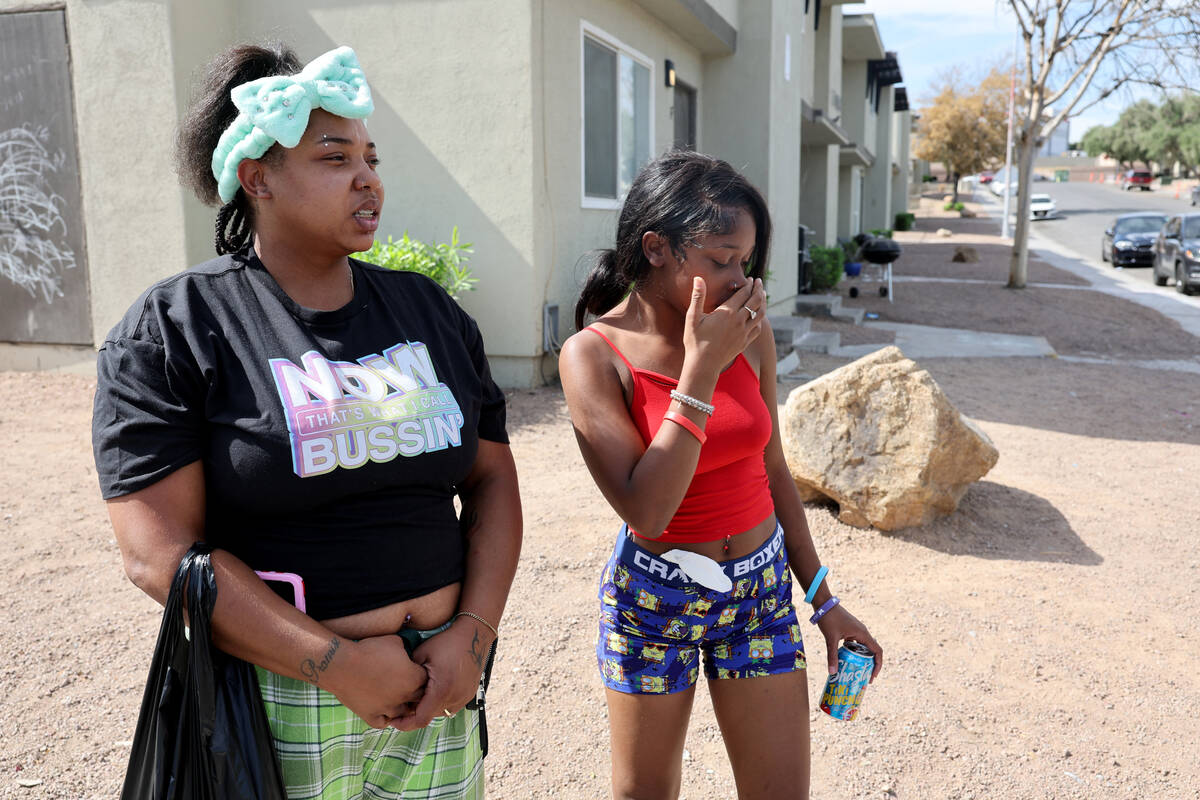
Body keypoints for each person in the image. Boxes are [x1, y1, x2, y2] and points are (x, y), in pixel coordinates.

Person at [91, 43, 521, 799]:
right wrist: (337, 665)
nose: (368, 178)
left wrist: (473, 636)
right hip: (278, 696)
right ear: (256, 177)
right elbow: (158, 553)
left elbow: (491, 477)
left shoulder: (431, 314)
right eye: (334, 157)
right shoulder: (177, 327)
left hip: (441, 680)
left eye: (371, 156)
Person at [558, 150, 882, 800]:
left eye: (746, 261)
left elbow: (773, 470)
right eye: (720, 259)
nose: (740, 279)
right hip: (656, 603)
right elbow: (647, 511)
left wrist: (824, 599)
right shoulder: (594, 356)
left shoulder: (746, 327)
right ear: (657, 248)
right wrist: (700, 369)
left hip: (759, 594)